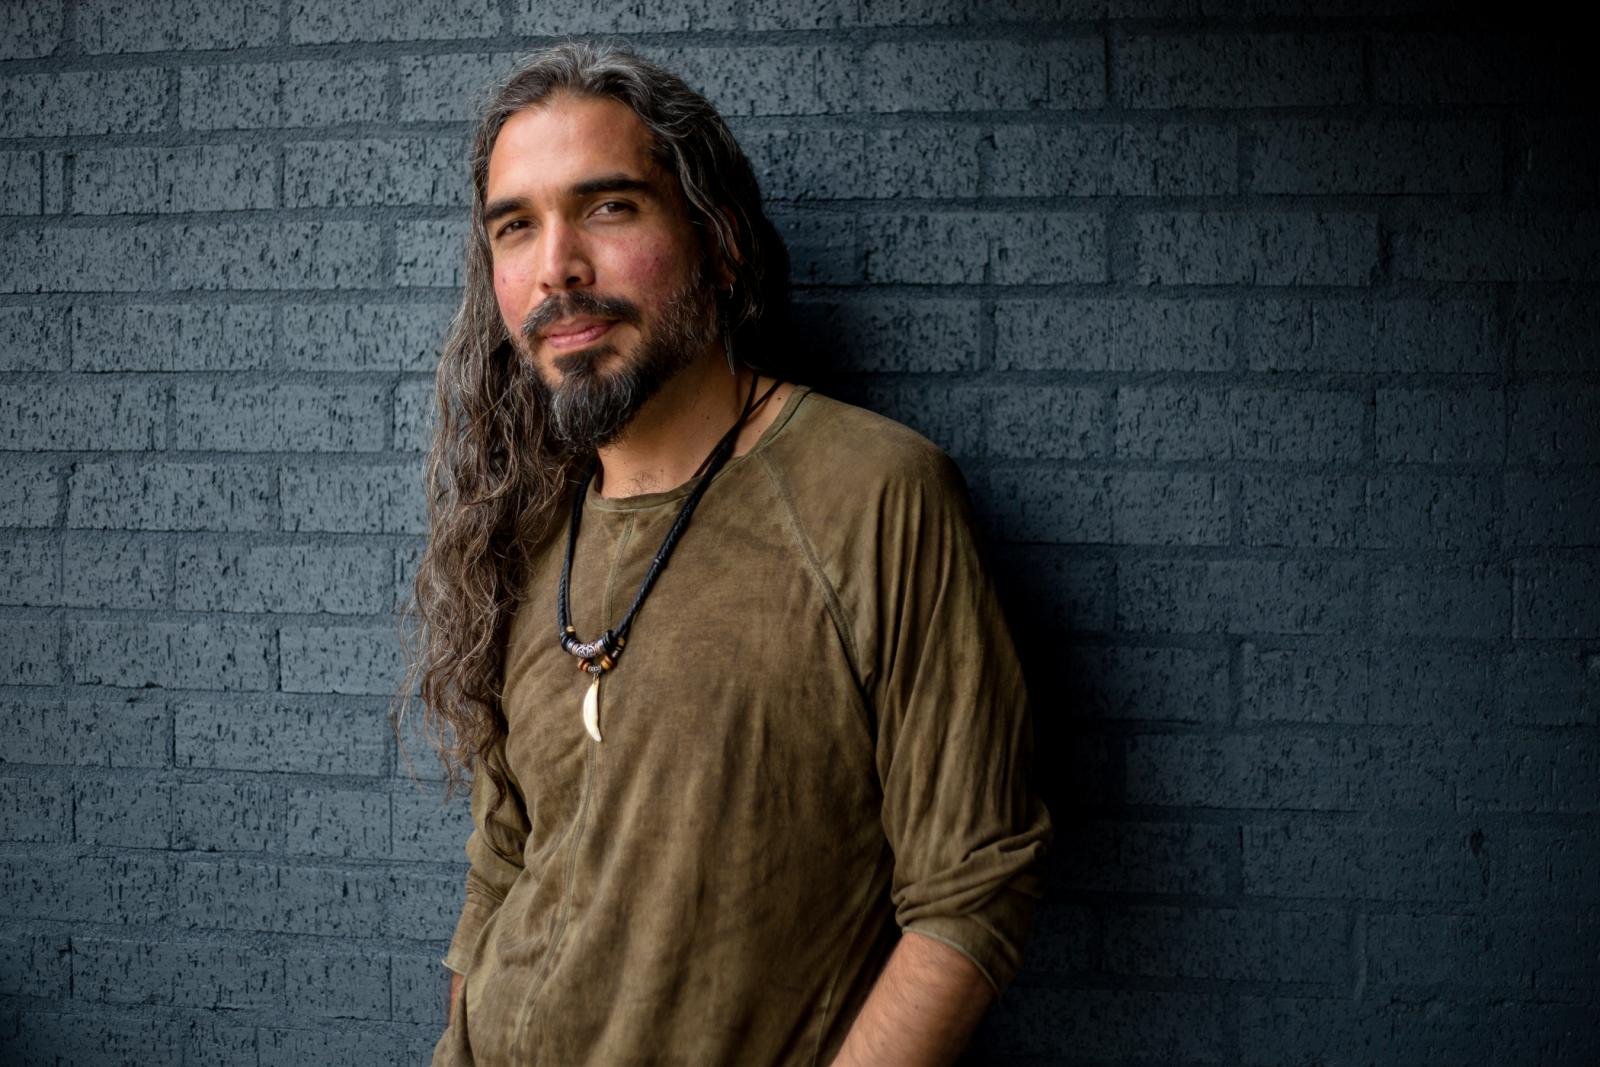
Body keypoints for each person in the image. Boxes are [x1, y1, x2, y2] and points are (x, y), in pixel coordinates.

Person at [399, 39, 1051, 1067]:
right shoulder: (524, 530)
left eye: (607, 207)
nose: (556, 266)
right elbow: (504, 866)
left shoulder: (871, 493)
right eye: (515, 227)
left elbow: (973, 889)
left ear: (721, 241)